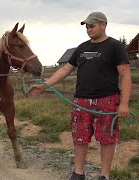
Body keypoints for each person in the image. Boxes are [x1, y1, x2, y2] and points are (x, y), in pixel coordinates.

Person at [31, 12, 132, 180]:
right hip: (81, 101)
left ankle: (104, 175)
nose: (88, 29)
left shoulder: (115, 46)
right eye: (86, 26)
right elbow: (65, 69)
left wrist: (125, 103)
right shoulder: (82, 48)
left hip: (107, 100)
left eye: (92, 26)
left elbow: (126, 75)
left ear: (103, 25)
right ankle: (78, 173)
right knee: (79, 137)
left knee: (107, 139)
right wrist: (45, 85)